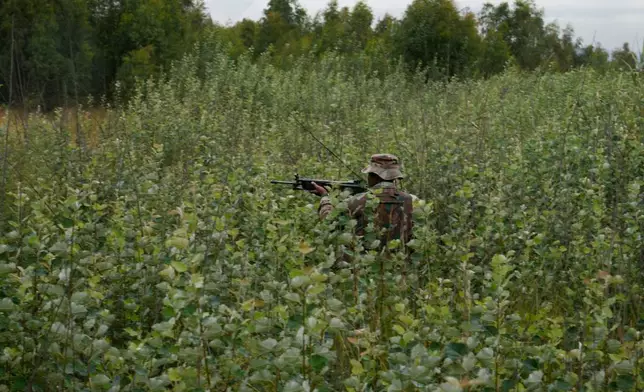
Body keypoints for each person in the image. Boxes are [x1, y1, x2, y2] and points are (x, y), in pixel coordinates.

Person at [311, 153, 417, 247]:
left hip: (364, 266)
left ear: (373, 175)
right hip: (401, 266)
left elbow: (328, 222)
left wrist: (325, 197)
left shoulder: (357, 201)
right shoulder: (411, 201)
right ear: (394, 177)